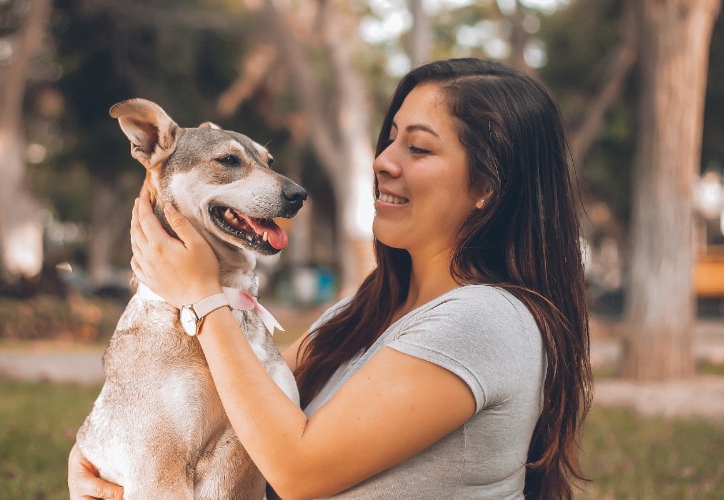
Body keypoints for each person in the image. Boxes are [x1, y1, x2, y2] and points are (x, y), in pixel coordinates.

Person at [68, 57, 592, 499]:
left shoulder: (484, 322)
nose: (383, 161)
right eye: (389, 140)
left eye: (419, 147)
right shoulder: (359, 312)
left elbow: (296, 470)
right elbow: (230, 402)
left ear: (488, 186)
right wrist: (97, 455)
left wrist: (203, 296)